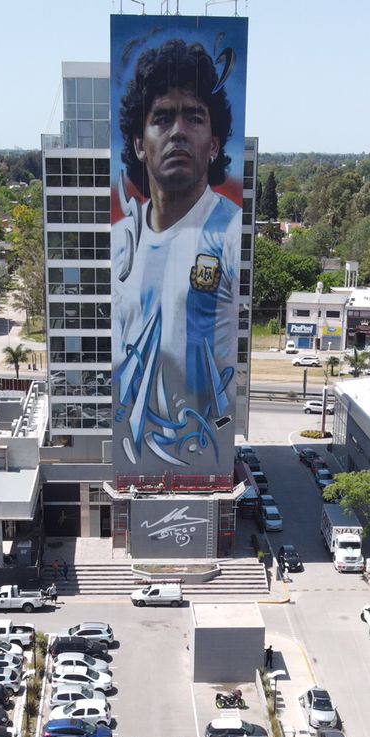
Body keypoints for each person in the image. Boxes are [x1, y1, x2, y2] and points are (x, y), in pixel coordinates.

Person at [112, 36, 241, 469]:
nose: (178, 131)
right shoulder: (119, 241)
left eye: (194, 117)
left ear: (215, 142)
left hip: (205, 454)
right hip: (133, 454)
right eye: (163, 118)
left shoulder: (232, 233)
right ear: (138, 142)